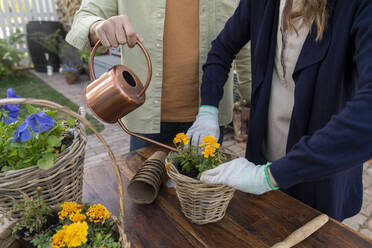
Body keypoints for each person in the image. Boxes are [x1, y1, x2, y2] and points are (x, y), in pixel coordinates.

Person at [187, 0, 372, 221]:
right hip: (261, 163)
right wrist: (208, 109)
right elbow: (222, 49)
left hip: (319, 182)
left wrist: (271, 176)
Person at [66, 0, 251, 151]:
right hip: (146, 119)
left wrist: (249, 99)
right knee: (146, 190)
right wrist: (97, 26)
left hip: (210, 116)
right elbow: (84, 18)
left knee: (202, 193)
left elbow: (245, 41)